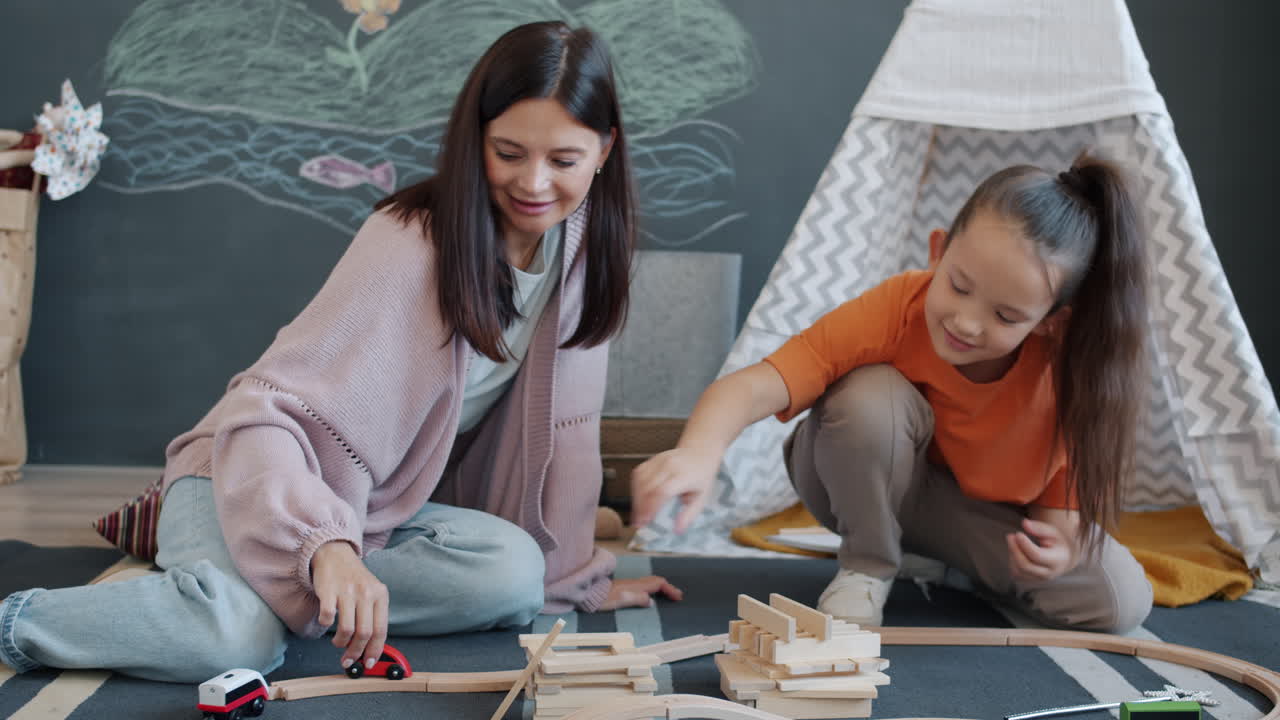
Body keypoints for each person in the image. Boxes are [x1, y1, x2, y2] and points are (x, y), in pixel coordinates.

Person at [0, 21, 681, 684]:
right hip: (247, 479)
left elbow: (565, 438)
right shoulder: (409, 241)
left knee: (515, 574)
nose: (533, 183)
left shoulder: (581, 250)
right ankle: (30, 619)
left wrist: (574, 580)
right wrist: (322, 546)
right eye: (508, 153)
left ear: (605, 149)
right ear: (475, 139)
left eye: (563, 161)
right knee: (236, 639)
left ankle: (243, 588)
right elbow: (266, 413)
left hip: (373, 513)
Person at [631, 154, 1153, 633]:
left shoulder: (1072, 372)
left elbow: (1060, 508)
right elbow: (754, 385)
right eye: (959, 286)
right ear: (937, 252)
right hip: (857, 481)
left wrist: (1058, 550)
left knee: (1119, 600)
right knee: (867, 394)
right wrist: (698, 452)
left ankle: (941, 565)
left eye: (1005, 315)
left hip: (965, 520)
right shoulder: (900, 306)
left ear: (1049, 322)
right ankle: (869, 566)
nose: (966, 323)